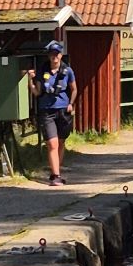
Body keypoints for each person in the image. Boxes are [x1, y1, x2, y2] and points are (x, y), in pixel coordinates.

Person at [28, 40, 78, 187]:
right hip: (47, 111)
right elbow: (37, 92)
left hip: (63, 111)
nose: (54, 57)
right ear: (49, 56)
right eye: (51, 54)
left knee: (61, 141)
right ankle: (55, 176)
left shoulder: (68, 71)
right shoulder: (43, 72)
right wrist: (30, 81)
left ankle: (57, 171)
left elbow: (74, 89)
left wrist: (70, 103)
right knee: (52, 143)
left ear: (61, 55)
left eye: (56, 54)